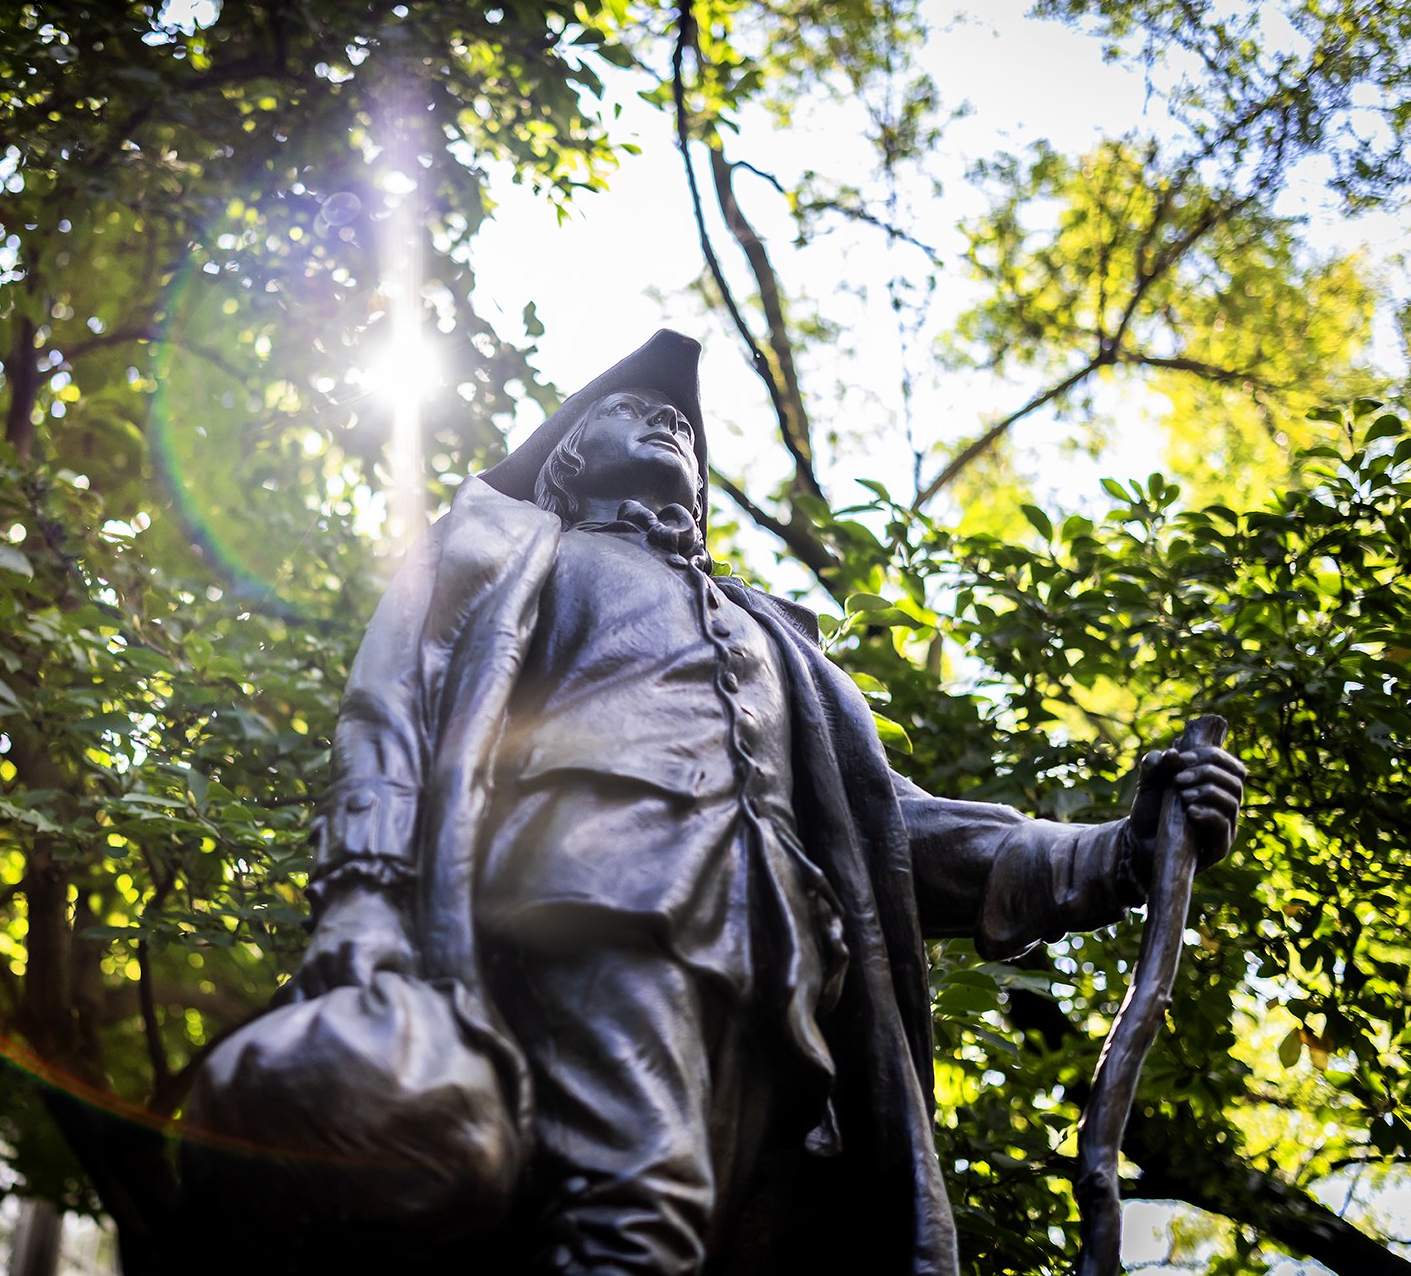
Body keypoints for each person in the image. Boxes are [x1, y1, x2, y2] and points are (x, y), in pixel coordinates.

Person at [288, 330, 1246, 1276]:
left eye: (687, 427)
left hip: (784, 982)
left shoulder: (780, 644)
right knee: (636, 1216)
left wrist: (1118, 852)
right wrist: (364, 897)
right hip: (586, 899)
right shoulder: (501, 540)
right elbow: (393, 708)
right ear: (569, 456)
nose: (670, 419)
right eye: (634, 408)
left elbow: (896, 838)